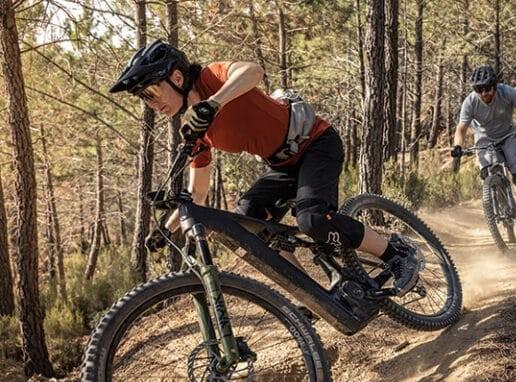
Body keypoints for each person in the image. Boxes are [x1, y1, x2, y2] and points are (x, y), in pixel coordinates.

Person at [109, 40, 422, 298]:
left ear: (177, 78)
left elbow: (253, 71)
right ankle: (312, 295)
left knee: (312, 219)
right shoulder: (194, 129)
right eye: (143, 99)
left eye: (151, 93)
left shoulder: (211, 77)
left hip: (316, 143)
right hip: (282, 165)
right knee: (248, 224)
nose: (151, 104)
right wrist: (166, 229)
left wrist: (214, 103)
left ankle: (397, 254)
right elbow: (197, 193)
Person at [450, 65, 516, 219]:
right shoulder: (470, 102)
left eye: (487, 89)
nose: (484, 93)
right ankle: (495, 201)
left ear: (495, 86)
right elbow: (461, 129)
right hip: (484, 138)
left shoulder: (507, 92)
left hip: (508, 134)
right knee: (486, 171)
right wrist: (457, 146)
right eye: (479, 90)